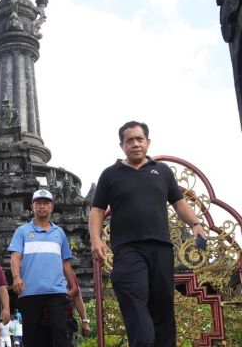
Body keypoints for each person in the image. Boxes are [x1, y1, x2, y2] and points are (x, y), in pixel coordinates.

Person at [89, 121, 208, 347]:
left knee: (163, 307)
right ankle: (143, 342)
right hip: (128, 248)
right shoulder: (110, 174)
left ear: (148, 142)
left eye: (139, 139)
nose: (135, 144)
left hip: (161, 248)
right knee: (133, 297)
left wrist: (195, 223)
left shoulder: (162, 171)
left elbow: (179, 204)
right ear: (121, 145)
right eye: (129, 140)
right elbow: (96, 211)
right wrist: (95, 239)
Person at [8, 189, 79, 347]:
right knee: (32, 335)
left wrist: (73, 285)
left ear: (51, 207)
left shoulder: (59, 232)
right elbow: (15, 256)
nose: (42, 206)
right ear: (32, 207)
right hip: (31, 290)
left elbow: (65, 262)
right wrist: (16, 277)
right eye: (38, 203)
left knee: (61, 334)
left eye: (46, 203)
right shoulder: (22, 231)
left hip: (57, 291)